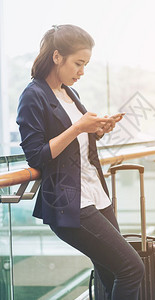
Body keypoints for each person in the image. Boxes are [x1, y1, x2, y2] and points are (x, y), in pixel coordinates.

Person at [16, 24, 144, 300]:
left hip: (95, 194)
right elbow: (37, 155)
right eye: (78, 63)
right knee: (131, 268)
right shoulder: (33, 95)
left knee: (110, 271)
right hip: (68, 201)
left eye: (85, 64)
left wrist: (97, 129)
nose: (82, 72)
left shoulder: (68, 93)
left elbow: (76, 142)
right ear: (57, 56)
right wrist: (78, 128)